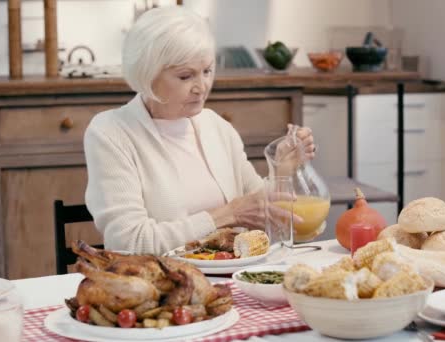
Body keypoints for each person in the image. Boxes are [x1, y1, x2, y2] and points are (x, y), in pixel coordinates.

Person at [84, 6, 315, 255]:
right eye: (185, 76)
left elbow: (262, 218)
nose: (201, 87)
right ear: (146, 74)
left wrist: (281, 169)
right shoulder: (111, 133)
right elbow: (128, 244)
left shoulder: (216, 126)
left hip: (228, 281)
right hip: (158, 287)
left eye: (207, 71)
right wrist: (227, 215)